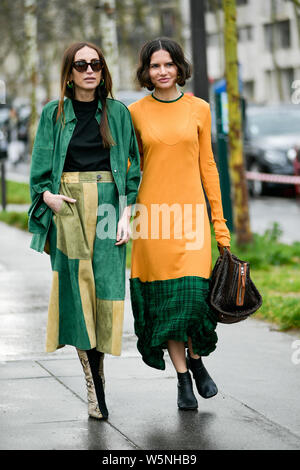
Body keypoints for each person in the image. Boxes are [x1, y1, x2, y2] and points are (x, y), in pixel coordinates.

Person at [28, 41, 140, 420]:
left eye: (95, 64)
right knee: (77, 295)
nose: (89, 70)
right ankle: (93, 387)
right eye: (81, 64)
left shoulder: (119, 113)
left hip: (109, 203)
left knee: (106, 294)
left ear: (103, 70)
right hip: (69, 205)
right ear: (69, 71)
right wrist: (49, 198)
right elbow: (40, 171)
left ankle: (99, 375)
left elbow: (134, 171)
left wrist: (128, 216)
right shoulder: (53, 114)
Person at [129, 37, 231, 410]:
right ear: (146, 71)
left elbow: (208, 167)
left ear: (179, 67)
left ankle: (197, 360)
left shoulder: (199, 109)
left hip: (191, 221)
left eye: (168, 64)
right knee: (167, 305)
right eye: (154, 66)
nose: (162, 71)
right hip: (153, 223)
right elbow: (129, 169)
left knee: (190, 300)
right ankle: (184, 378)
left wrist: (219, 225)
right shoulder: (135, 112)